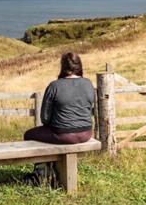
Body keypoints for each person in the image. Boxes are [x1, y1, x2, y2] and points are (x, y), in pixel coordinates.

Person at [22, 52, 95, 184]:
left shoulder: (54, 86)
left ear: (63, 67)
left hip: (63, 134)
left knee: (29, 135)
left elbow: (44, 118)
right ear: (79, 66)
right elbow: (89, 110)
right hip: (86, 133)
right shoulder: (88, 84)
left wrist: (58, 122)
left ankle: (41, 174)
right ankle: (51, 170)